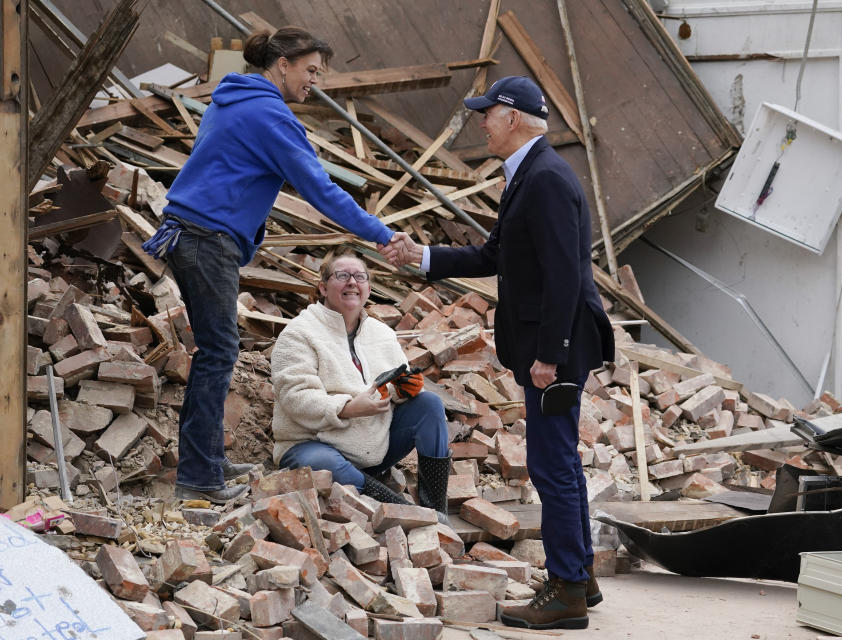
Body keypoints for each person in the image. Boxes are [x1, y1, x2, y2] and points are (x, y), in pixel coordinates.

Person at [383, 76, 615, 630]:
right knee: (558, 462)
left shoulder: (547, 179)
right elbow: (495, 254)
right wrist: (423, 257)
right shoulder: (529, 174)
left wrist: (551, 355)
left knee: (551, 464)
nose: (480, 123)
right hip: (549, 343)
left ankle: (565, 593)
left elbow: (564, 273)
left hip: (556, 348)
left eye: (486, 113)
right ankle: (578, 576)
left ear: (511, 117)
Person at [142, 28, 400, 504]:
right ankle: (199, 477)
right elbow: (321, 191)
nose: (313, 82)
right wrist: (381, 234)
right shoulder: (269, 115)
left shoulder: (233, 98)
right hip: (205, 237)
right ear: (283, 63)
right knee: (218, 354)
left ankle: (208, 462)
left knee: (215, 351)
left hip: (191, 233)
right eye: (310, 71)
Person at [270, 251, 451, 520]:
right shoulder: (299, 333)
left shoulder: (383, 334)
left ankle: (435, 508)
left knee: (429, 404)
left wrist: (404, 391)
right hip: (314, 445)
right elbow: (295, 398)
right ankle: (408, 514)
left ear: (368, 287)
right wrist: (348, 408)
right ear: (323, 287)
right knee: (325, 464)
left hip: (373, 449)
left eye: (360, 276)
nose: (352, 282)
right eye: (342, 276)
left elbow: (393, 389)